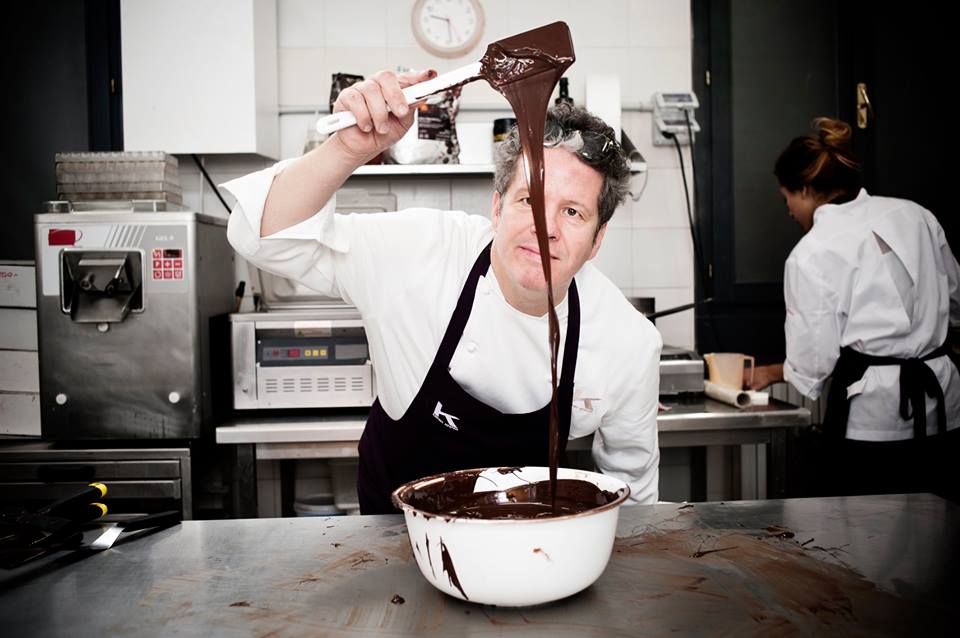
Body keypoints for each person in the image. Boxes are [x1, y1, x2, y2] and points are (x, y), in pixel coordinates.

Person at [222, 69, 662, 513]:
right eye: (529, 200)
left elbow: (634, 499)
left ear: (597, 240)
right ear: (497, 207)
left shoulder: (626, 342)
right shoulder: (418, 254)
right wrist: (347, 149)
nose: (544, 228)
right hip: (390, 539)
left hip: (528, 544)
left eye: (572, 212)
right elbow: (257, 236)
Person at [748, 117, 960, 499]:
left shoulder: (811, 252)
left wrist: (771, 372)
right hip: (945, 403)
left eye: (787, 198)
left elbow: (813, 366)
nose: (789, 211)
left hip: (873, 421)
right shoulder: (917, 215)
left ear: (805, 189)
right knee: (942, 523)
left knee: (868, 528)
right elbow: (955, 301)